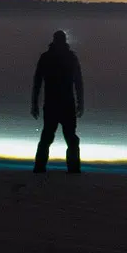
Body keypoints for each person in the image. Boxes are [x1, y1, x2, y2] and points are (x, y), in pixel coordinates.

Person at [30, 29, 84, 172]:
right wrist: (80, 102)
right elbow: (78, 82)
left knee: (49, 136)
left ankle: (40, 168)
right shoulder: (70, 57)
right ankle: (73, 169)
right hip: (65, 103)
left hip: (54, 103)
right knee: (68, 137)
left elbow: (37, 82)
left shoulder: (47, 57)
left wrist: (34, 103)